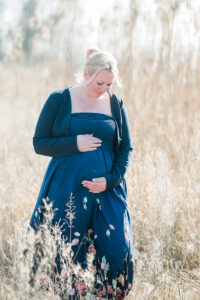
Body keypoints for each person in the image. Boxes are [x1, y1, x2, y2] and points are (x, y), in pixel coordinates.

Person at [29, 47, 134, 299]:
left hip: (107, 191)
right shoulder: (59, 99)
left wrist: (110, 181)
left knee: (117, 248)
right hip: (66, 189)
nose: (104, 89)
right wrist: (74, 143)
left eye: (109, 83)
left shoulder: (115, 104)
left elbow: (126, 147)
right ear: (86, 74)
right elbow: (39, 142)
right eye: (100, 82)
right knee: (66, 248)